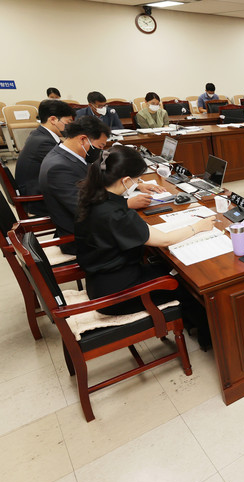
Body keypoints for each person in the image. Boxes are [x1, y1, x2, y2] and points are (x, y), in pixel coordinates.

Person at [74, 146, 213, 347]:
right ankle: (206, 337)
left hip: (101, 281)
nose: (137, 183)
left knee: (167, 266)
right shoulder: (115, 214)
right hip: (118, 295)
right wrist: (198, 227)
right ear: (125, 180)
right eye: (137, 180)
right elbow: (165, 240)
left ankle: (190, 322)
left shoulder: (93, 196)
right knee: (187, 284)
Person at [39, 116, 164, 254]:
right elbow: (83, 208)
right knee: (150, 240)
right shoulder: (58, 168)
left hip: (91, 226)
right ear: (83, 139)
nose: (100, 151)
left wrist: (135, 184)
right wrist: (127, 203)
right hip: (83, 238)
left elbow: (95, 181)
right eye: (100, 147)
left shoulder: (69, 156)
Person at [14, 99, 76, 216]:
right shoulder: (44, 142)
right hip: (37, 199)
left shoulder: (39, 134)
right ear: (53, 119)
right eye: (68, 122)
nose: (70, 126)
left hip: (39, 188)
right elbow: (70, 164)